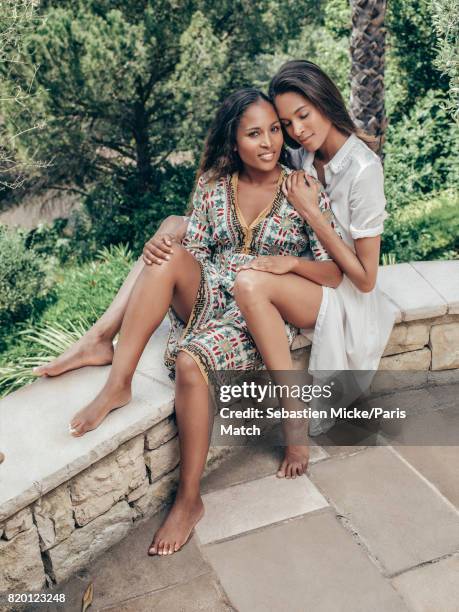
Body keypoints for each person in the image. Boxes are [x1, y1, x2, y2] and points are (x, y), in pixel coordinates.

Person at [34, 88, 342, 555]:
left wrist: (287, 264)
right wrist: (167, 248)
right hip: (208, 295)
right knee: (166, 255)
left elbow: (333, 272)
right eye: (254, 133)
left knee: (191, 363)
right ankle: (118, 382)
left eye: (275, 130)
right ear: (233, 141)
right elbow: (195, 251)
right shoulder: (215, 184)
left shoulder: (300, 188)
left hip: (256, 313)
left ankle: (189, 498)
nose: (269, 143)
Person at [234, 60, 397, 435]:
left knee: (253, 283)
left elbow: (365, 279)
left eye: (303, 116)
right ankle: (101, 340)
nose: (298, 131)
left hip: (345, 295)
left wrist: (313, 216)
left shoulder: (363, 170)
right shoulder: (301, 156)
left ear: (324, 101)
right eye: (287, 124)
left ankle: (294, 417)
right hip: (310, 277)